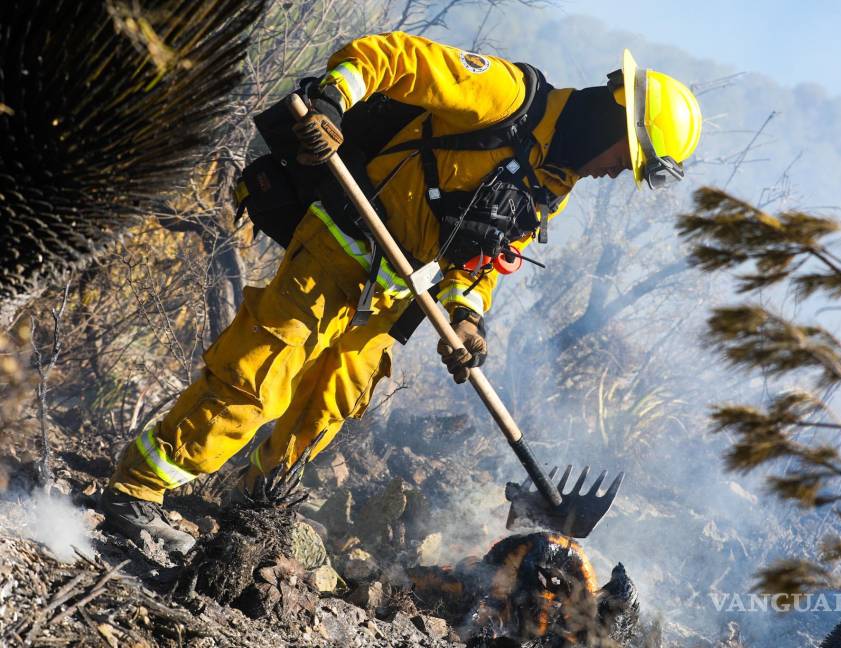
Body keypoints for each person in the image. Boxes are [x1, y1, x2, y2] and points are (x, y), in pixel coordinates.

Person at [100, 32, 703, 554]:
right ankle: (137, 490)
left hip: (391, 295)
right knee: (261, 373)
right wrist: (333, 100)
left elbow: (486, 259)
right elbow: (396, 57)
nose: (615, 172)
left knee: (327, 404)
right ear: (613, 118)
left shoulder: (554, 182)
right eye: (628, 159)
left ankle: (249, 506)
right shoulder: (506, 96)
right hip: (341, 244)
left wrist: (468, 317)